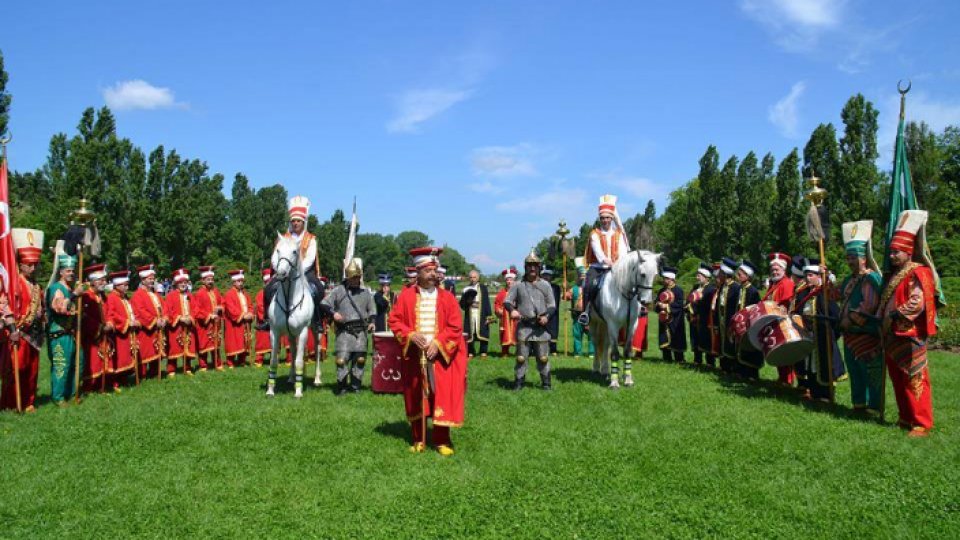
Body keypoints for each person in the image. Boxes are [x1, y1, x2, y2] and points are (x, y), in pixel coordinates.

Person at [388, 246, 467, 456]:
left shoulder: (448, 298)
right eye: (428, 270)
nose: (433, 274)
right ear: (418, 272)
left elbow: (455, 326)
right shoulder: (405, 296)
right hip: (415, 356)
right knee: (417, 395)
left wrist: (438, 343)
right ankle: (419, 439)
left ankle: (442, 440)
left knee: (441, 395)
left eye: (435, 270)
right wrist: (411, 335)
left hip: (440, 356)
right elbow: (394, 321)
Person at [879, 210, 939, 437]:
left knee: (915, 378)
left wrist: (895, 315)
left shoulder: (918, 272)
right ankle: (905, 417)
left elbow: (917, 302)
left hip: (910, 333)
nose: (893, 256)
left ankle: (921, 423)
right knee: (898, 378)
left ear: (909, 252)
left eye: (898, 252)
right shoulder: (896, 274)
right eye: (892, 251)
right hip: (892, 334)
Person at [836, 221, 884, 415]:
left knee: (870, 372)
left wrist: (851, 320)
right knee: (855, 372)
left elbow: (869, 304)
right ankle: (858, 406)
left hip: (867, 335)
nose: (850, 261)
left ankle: (873, 407)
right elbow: (838, 296)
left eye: (853, 257)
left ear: (864, 258)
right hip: (849, 335)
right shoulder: (849, 279)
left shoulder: (872, 278)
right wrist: (825, 282)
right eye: (848, 258)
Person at [265, 195, 326, 329]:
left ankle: (317, 319)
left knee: (319, 290)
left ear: (303, 222)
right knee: (268, 288)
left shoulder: (311, 239)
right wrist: (280, 267)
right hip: (283, 271)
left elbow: (310, 258)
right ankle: (267, 320)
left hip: (304, 272)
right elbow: (275, 257)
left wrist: (298, 270)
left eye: (298, 221)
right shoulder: (283, 238)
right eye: (293, 221)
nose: (296, 223)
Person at [1, 229, 45, 412]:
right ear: (21, 264)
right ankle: (10, 403)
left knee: (32, 369)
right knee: (17, 370)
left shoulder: (36, 286)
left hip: (33, 333)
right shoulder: (13, 283)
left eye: (35, 264)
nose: (33, 268)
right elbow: (5, 304)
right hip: (18, 332)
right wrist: (12, 329)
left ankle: (29, 401)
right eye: (29, 264)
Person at [321, 258, 376, 395]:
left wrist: (372, 322)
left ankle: (356, 386)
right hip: (344, 331)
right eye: (353, 278)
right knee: (341, 360)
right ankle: (342, 387)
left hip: (360, 332)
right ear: (348, 278)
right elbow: (324, 303)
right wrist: (333, 314)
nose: (355, 280)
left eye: (357, 278)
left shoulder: (366, 293)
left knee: (360, 360)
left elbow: (372, 311)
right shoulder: (338, 291)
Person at [794, 258, 845, 402]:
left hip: (823, 336)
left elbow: (835, 315)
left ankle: (826, 395)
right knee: (810, 364)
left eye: (811, 275)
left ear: (818, 276)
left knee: (823, 365)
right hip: (808, 335)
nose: (807, 278)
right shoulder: (805, 293)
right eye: (806, 275)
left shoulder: (825, 293)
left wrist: (831, 334)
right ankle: (814, 392)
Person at [504, 251, 556, 391]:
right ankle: (519, 382)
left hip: (540, 327)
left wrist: (546, 317)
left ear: (539, 267)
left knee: (543, 357)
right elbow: (507, 301)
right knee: (521, 358)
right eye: (529, 266)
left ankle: (546, 383)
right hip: (524, 327)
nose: (532, 268)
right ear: (525, 267)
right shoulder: (518, 285)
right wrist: (512, 310)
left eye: (535, 265)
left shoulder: (545, 285)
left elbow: (552, 305)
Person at [579, 194, 629, 325]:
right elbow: (598, 253)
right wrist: (608, 262)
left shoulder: (618, 234)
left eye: (607, 217)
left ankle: (635, 308)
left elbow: (623, 252)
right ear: (600, 219)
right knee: (588, 284)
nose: (605, 220)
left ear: (612, 218)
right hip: (598, 268)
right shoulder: (594, 233)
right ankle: (585, 312)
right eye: (602, 218)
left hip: (616, 268)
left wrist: (618, 265)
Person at [45, 253, 81, 405]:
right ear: (61, 272)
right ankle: (58, 397)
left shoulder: (70, 287)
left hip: (71, 333)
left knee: (78, 363)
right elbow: (59, 308)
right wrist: (74, 295)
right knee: (61, 365)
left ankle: (72, 393)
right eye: (68, 270)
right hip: (59, 334)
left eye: (73, 270)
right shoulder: (56, 288)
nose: (71, 273)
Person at [763, 252, 796, 385]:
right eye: (772, 269)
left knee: (784, 352)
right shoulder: (773, 284)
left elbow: (785, 303)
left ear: (784, 269)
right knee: (776, 350)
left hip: (782, 322)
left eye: (777, 269)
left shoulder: (786, 283)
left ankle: (787, 379)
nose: (774, 271)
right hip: (773, 322)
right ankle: (782, 377)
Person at [131, 265, 166, 379]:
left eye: (153, 279)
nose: (152, 281)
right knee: (146, 350)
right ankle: (142, 374)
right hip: (146, 329)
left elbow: (163, 307)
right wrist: (155, 321)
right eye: (149, 279)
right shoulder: (137, 295)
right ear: (143, 280)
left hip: (158, 327)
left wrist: (164, 318)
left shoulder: (156, 294)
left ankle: (155, 371)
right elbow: (140, 311)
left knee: (157, 349)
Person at [105, 270, 139, 391]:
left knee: (127, 357)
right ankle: (115, 382)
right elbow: (112, 314)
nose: (127, 287)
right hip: (119, 334)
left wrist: (134, 321)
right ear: (117, 285)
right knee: (119, 358)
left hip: (128, 332)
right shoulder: (112, 298)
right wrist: (127, 322)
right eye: (124, 285)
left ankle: (124, 380)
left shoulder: (125, 298)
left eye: (127, 284)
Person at [730, 260, 762, 379]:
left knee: (749, 348)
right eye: (738, 273)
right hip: (739, 324)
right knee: (739, 347)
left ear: (748, 276)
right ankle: (740, 371)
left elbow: (755, 309)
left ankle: (751, 373)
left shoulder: (753, 291)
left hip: (748, 324)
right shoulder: (739, 289)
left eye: (741, 274)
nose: (738, 276)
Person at [164, 268, 196, 376]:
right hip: (176, 327)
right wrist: (179, 318)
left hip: (188, 326)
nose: (183, 284)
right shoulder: (170, 296)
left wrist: (190, 318)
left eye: (185, 282)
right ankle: (171, 369)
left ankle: (187, 368)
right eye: (181, 282)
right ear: (176, 283)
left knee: (188, 346)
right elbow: (168, 311)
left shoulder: (191, 296)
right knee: (174, 347)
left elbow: (196, 309)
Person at [192, 266, 223, 371]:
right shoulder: (199, 293)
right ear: (203, 280)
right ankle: (203, 365)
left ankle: (217, 364)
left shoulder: (216, 291)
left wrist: (220, 307)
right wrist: (209, 315)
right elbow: (196, 311)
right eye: (208, 280)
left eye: (211, 279)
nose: (210, 281)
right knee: (204, 345)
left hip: (215, 323)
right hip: (204, 324)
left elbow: (222, 302)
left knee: (216, 344)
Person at [223, 269, 254, 368]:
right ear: (234, 282)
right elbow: (230, 308)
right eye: (238, 281)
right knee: (233, 342)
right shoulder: (229, 294)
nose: (241, 283)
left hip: (245, 322)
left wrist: (250, 314)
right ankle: (230, 362)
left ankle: (242, 361)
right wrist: (243, 315)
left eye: (242, 281)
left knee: (244, 341)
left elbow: (250, 305)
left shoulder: (245, 294)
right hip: (234, 323)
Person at [654, 266, 686, 363]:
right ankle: (666, 358)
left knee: (676, 337)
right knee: (664, 337)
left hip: (675, 319)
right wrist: (659, 305)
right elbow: (656, 303)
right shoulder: (661, 291)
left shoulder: (678, 291)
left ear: (672, 279)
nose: (664, 280)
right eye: (664, 278)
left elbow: (679, 305)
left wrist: (667, 307)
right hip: (663, 319)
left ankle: (679, 358)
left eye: (666, 279)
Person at [713, 257, 739, 373]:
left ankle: (732, 367)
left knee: (730, 343)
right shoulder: (723, 286)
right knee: (722, 341)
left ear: (726, 274)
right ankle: (724, 365)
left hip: (729, 319)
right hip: (721, 318)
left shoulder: (736, 288)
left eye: (721, 273)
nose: (719, 276)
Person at [459, 269, 491, 358]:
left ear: (478, 277)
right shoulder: (466, 289)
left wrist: (489, 316)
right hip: (470, 314)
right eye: (471, 277)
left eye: (474, 277)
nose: (473, 279)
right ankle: (471, 352)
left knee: (483, 331)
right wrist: (467, 301)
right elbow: (462, 304)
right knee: (470, 332)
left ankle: (483, 351)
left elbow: (487, 302)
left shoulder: (483, 288)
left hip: (481, 313)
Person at [687, 263, 713, 366]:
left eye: (699, 275)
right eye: (697, 275)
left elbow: (708, 304)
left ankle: (710, 362)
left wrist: (698, 304)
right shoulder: (695, 287)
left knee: (706, 339)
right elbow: (688, 300)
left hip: (705, 318)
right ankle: (697, 360)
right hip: (694, 318)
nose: (697, 277)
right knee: (695, 338)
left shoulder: (711, 289)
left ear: (706, 277)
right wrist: (689, 308)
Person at [569, 259, 594, 358]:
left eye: (584, 275)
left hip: (589, 315)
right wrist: (565, 292)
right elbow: (566, 296)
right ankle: (577, 353)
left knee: (591, 335)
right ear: (578, 276)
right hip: (577, 315)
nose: (582, 277)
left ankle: (592, 353)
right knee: (577, 334)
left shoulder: (591, 288)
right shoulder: (574, 288)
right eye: (581, 275)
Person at [493, 268, 517, 356]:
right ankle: (505, 352)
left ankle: (519, 351)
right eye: (507, 280)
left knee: (517, 332)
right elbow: (497, 303)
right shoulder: (502, 293)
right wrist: (498, 310)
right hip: (505, 317)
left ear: (514, 280)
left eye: (511, 280)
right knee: (505, 333)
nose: (509, 281)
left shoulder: (518, 291)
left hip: (516, 317)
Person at [254, 268, 275, 367]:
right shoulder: (260, 294)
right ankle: (259, 360)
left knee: (273, 342)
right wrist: (266, 317)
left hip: (274, 321)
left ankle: (273, 359)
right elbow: (260, 307)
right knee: (262, 342)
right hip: (265, 320)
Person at [541, 267, 562, 355]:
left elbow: (556, 301)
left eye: (548, 275)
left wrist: (550, 312)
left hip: (553, 313)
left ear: (551, 277)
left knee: (553, 331)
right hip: (541, 313)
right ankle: (541, 349)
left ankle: (553, 349)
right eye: (544, 275)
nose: (546, 277)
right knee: (541, 330)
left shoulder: (556, 287)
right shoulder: (538, 286)